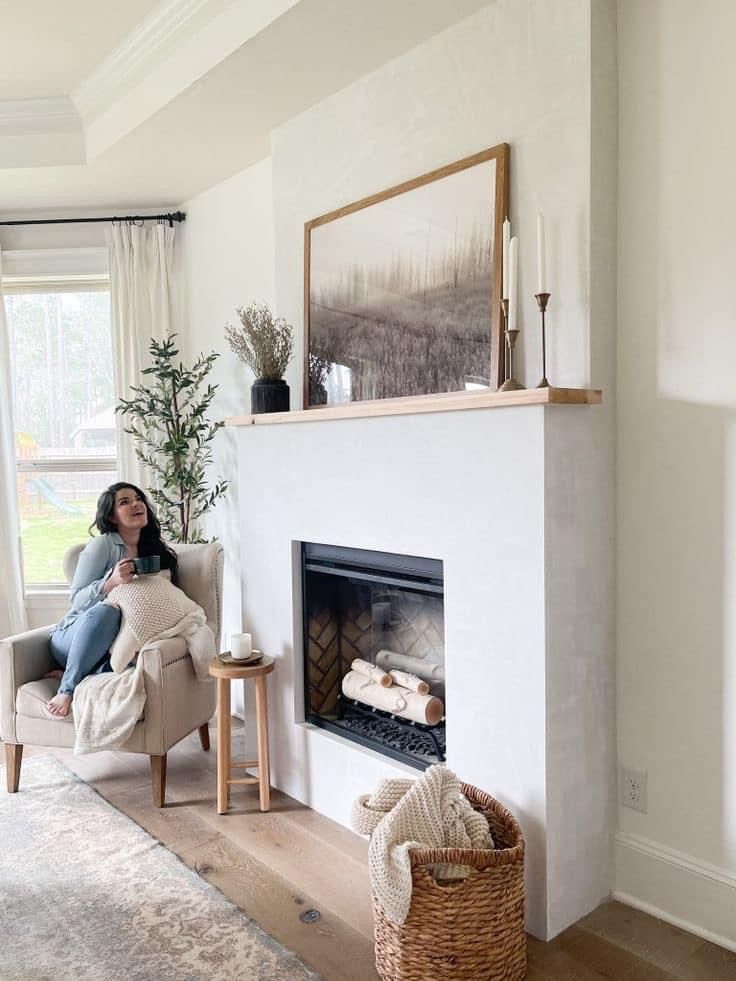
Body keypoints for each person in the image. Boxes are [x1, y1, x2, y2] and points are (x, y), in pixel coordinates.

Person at [45, 481, 178, 718]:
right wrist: (111, 582)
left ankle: (83, 669)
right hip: (73, 635)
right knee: (108, 611)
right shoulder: (103, 545)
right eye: (125, 502)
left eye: (138, 499)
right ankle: (67, 689)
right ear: (113, 516)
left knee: (136, 654)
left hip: (111, 644)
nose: (136, 504)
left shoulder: (154, 550)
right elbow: (77, 600)